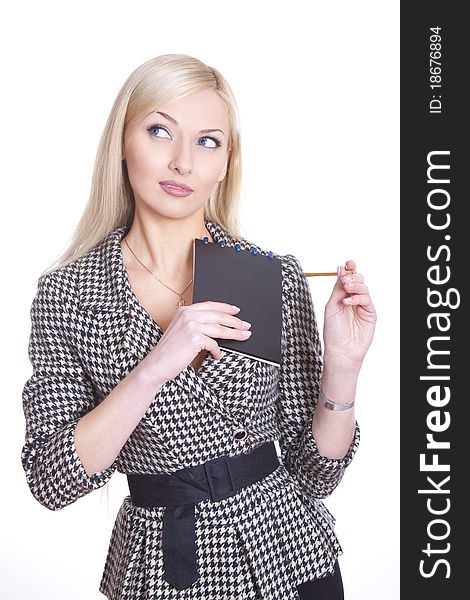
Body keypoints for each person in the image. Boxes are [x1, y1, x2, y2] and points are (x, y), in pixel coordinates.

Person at [20, 53, 376, 600]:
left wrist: (344, 369)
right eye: (161, 131)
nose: (183, 162)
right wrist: (155, 366)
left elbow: (315, 476)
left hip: (289, 558)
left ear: (227, 161)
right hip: (161, 569)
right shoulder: (68, 293)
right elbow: (52, 479)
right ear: (123, 141)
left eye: (207, 141)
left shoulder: (267, 275)